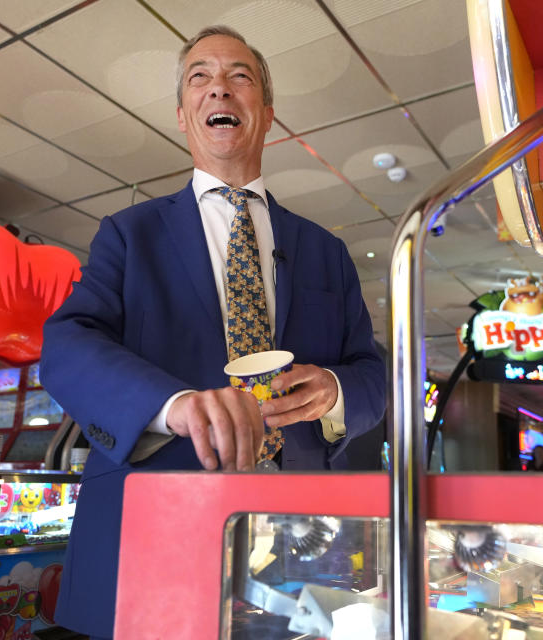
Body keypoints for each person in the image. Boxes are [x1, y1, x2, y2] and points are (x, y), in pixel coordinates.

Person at [39, 25, 386, 638]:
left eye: (240, 76)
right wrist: (173, 407)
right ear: (182, 114)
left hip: (301, 538)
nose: (219, 88)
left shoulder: (327, 251)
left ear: (266, 114)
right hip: (153, 522)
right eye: (199, 77)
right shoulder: (127, 233)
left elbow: (373, 373)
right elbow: (68, 345)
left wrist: (334, 388)